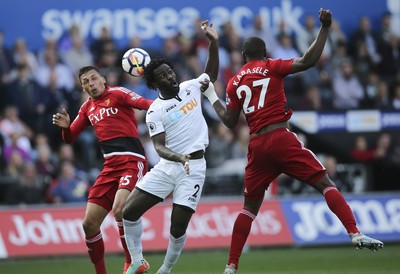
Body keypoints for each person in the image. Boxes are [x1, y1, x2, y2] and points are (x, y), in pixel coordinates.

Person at [200, 9, 384, 274]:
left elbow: (229, 121)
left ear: (243, 56)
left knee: (249, 209)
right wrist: (324, 29)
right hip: (280, 137)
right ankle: (354, 232)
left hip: (256, 146)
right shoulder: (271, 66)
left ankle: (231, 265)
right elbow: (308, 61)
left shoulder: (233, 82)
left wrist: (210, 96)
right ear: (265, 53)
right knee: (325, 183)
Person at [122, 20, 219, 274]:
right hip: (169, 165)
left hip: (194, 167)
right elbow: (158, 146)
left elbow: (211, 75)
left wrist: (214, 43)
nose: (169, 76)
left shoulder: (190, 88)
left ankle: (165, 270)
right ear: (155, 84)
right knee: (128, 212)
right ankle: (137, 260)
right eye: (163, 76)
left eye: (170, 71)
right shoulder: (155, 111)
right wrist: (177, 156)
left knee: (177, 228)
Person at [52, 65, 153, 274]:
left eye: (94, 78)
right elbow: (70, 138)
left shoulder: (118, 93)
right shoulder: (86, 108)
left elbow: (147, 104)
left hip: (132, 161)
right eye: (86, 82)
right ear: (83, 88)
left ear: (103, 80)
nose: (91, 83)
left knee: (120, 210)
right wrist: (65, 129)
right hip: (110, 167)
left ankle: (133, 262)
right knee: (89, 224)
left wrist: (169, 107)